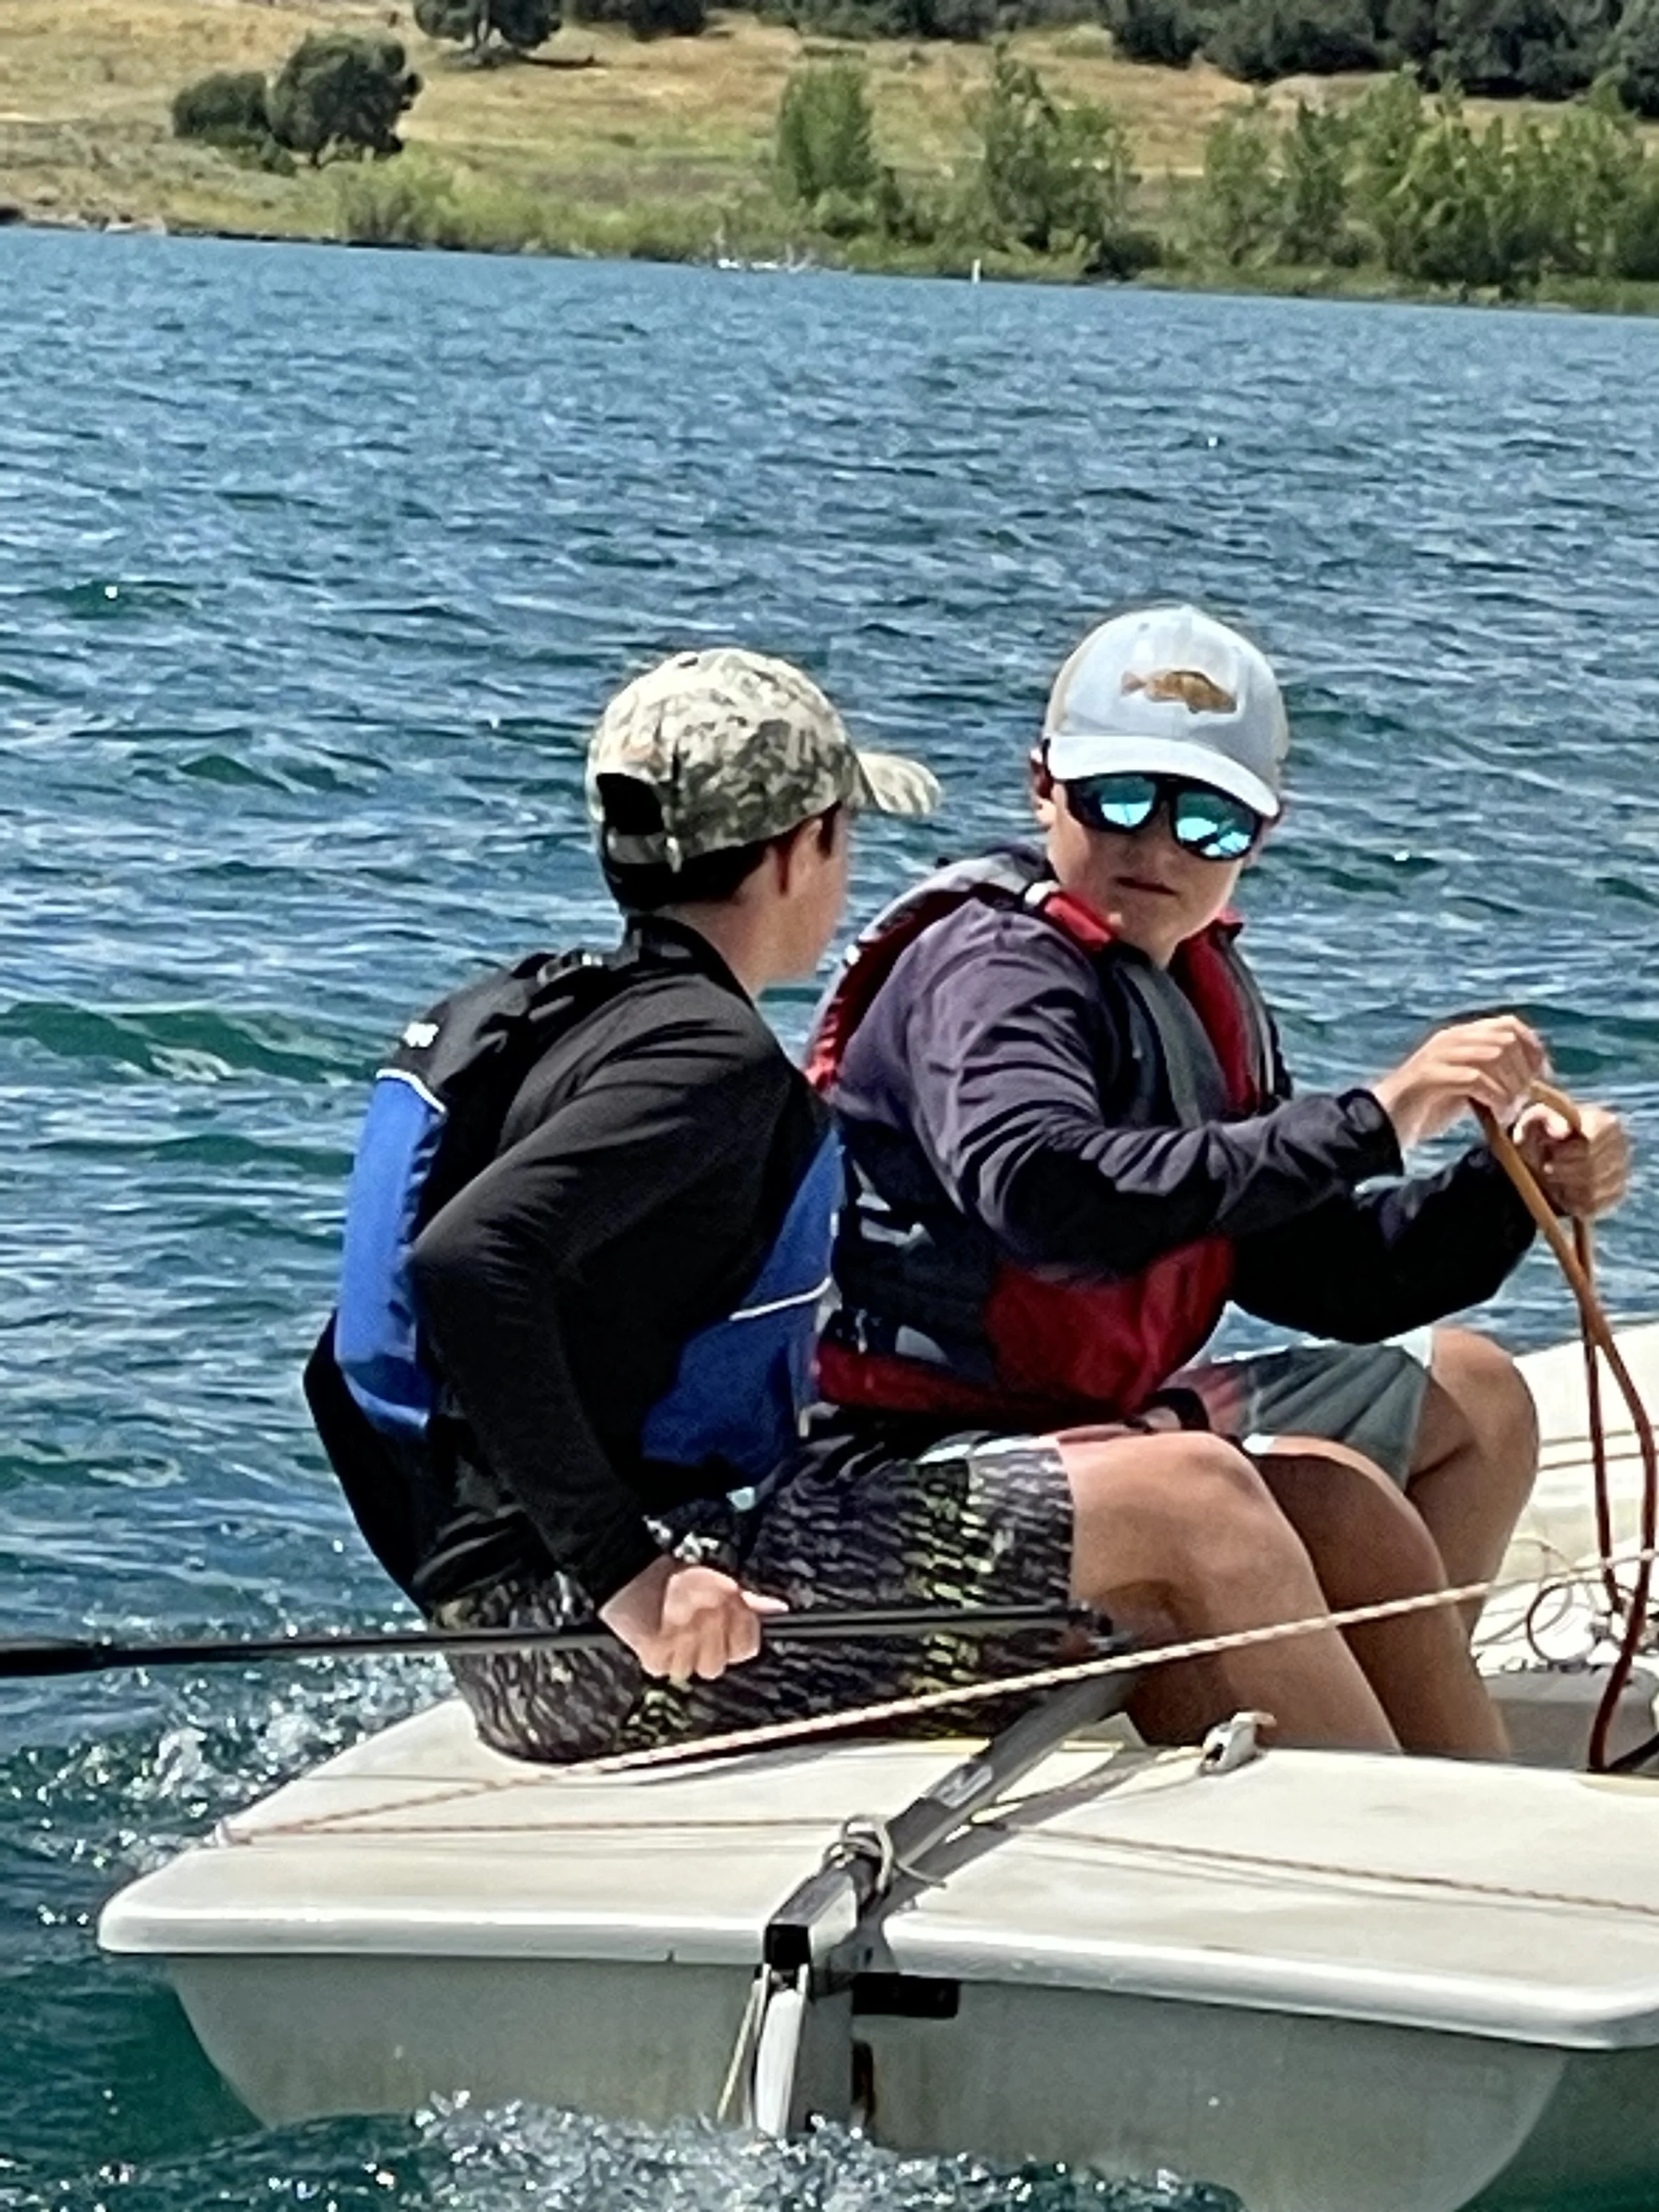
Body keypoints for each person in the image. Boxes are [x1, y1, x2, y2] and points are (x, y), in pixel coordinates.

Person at [305, 644, 1420, 1764]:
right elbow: (465, 1266)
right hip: (629, 1652)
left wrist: (465, 1587)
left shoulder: (551, 1015)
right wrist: (629, 1579)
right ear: (804, 851)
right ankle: (1410, 1879)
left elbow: (352, 1353)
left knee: (1298, 1507)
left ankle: (1400, 1810)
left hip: (543, 1642)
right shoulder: (706, 1061)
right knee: (1191, 1502)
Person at [811, 603, 1631, 1758]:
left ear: (1260, 830)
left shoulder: (1200, 986)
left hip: (1100, 1419)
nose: (1156, 846)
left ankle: (1395, 1741)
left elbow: (1328, 1275)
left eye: (1204, 816)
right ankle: (1351, 1783)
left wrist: (1513, 1189)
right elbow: (1046, 1195)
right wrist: (1373, 1119)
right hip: (924, 1457)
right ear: (1042, 786)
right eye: (1119, 800)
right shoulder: (991, 974)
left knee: (1477, 1398)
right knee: (1214, 1490)